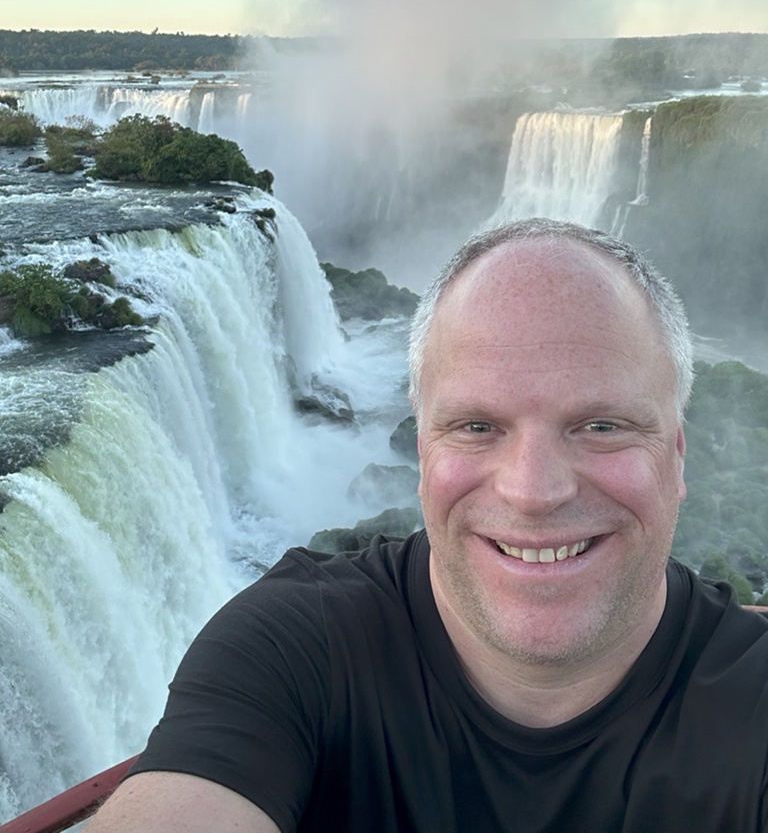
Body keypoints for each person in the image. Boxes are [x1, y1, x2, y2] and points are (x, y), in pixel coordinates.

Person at [87, 217, 768, 833]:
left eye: (601, 426)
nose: (534, 491)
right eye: (477, 426)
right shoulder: (292, 653)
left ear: (677, 455)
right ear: (423, 452)